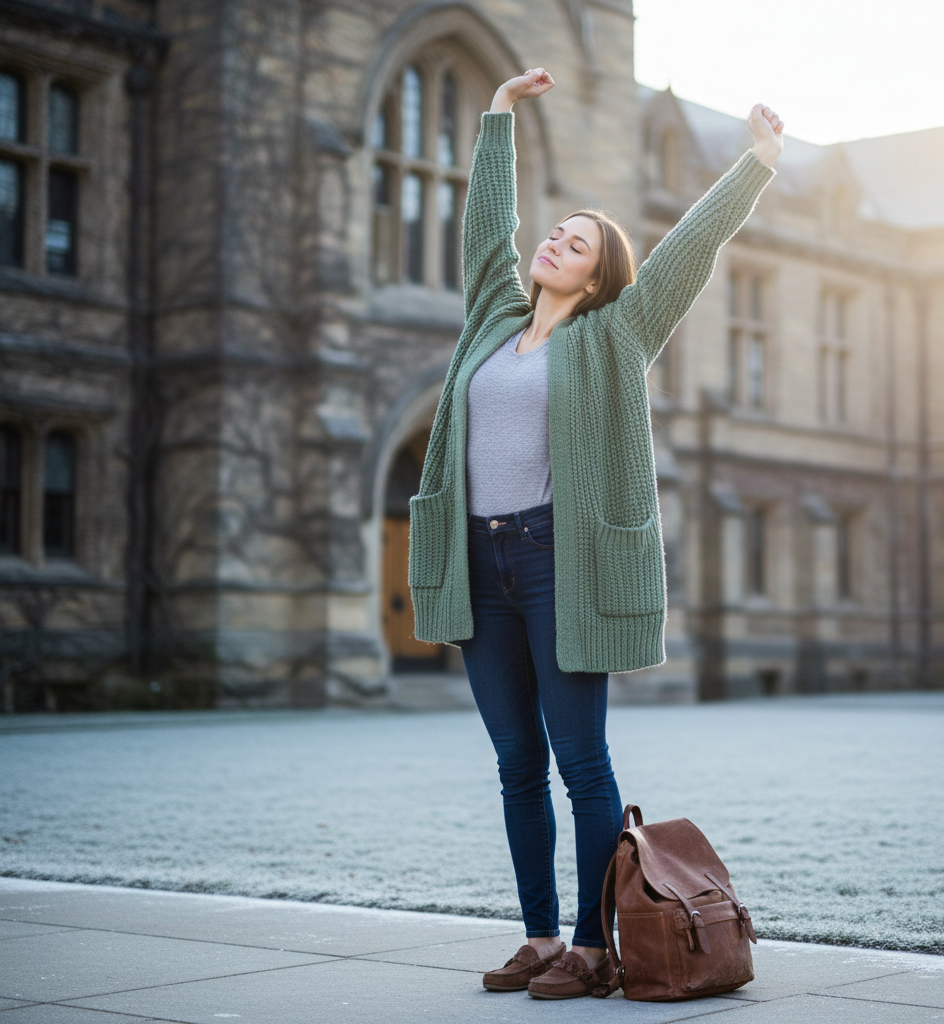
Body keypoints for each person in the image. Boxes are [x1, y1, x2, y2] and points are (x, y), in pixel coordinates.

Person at [407, 68, 783, 1000]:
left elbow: (686, 253)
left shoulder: (616, 336)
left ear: (596, 274)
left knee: (581, 764)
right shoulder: (490, 320)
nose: (554, 241)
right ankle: (540, 938)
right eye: (555, 231)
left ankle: (593, 945)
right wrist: (496, 117)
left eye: (575, 242)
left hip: (555, 566)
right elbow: (484, 226)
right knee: (513, 765)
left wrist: (756, 165)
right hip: (479, 563)